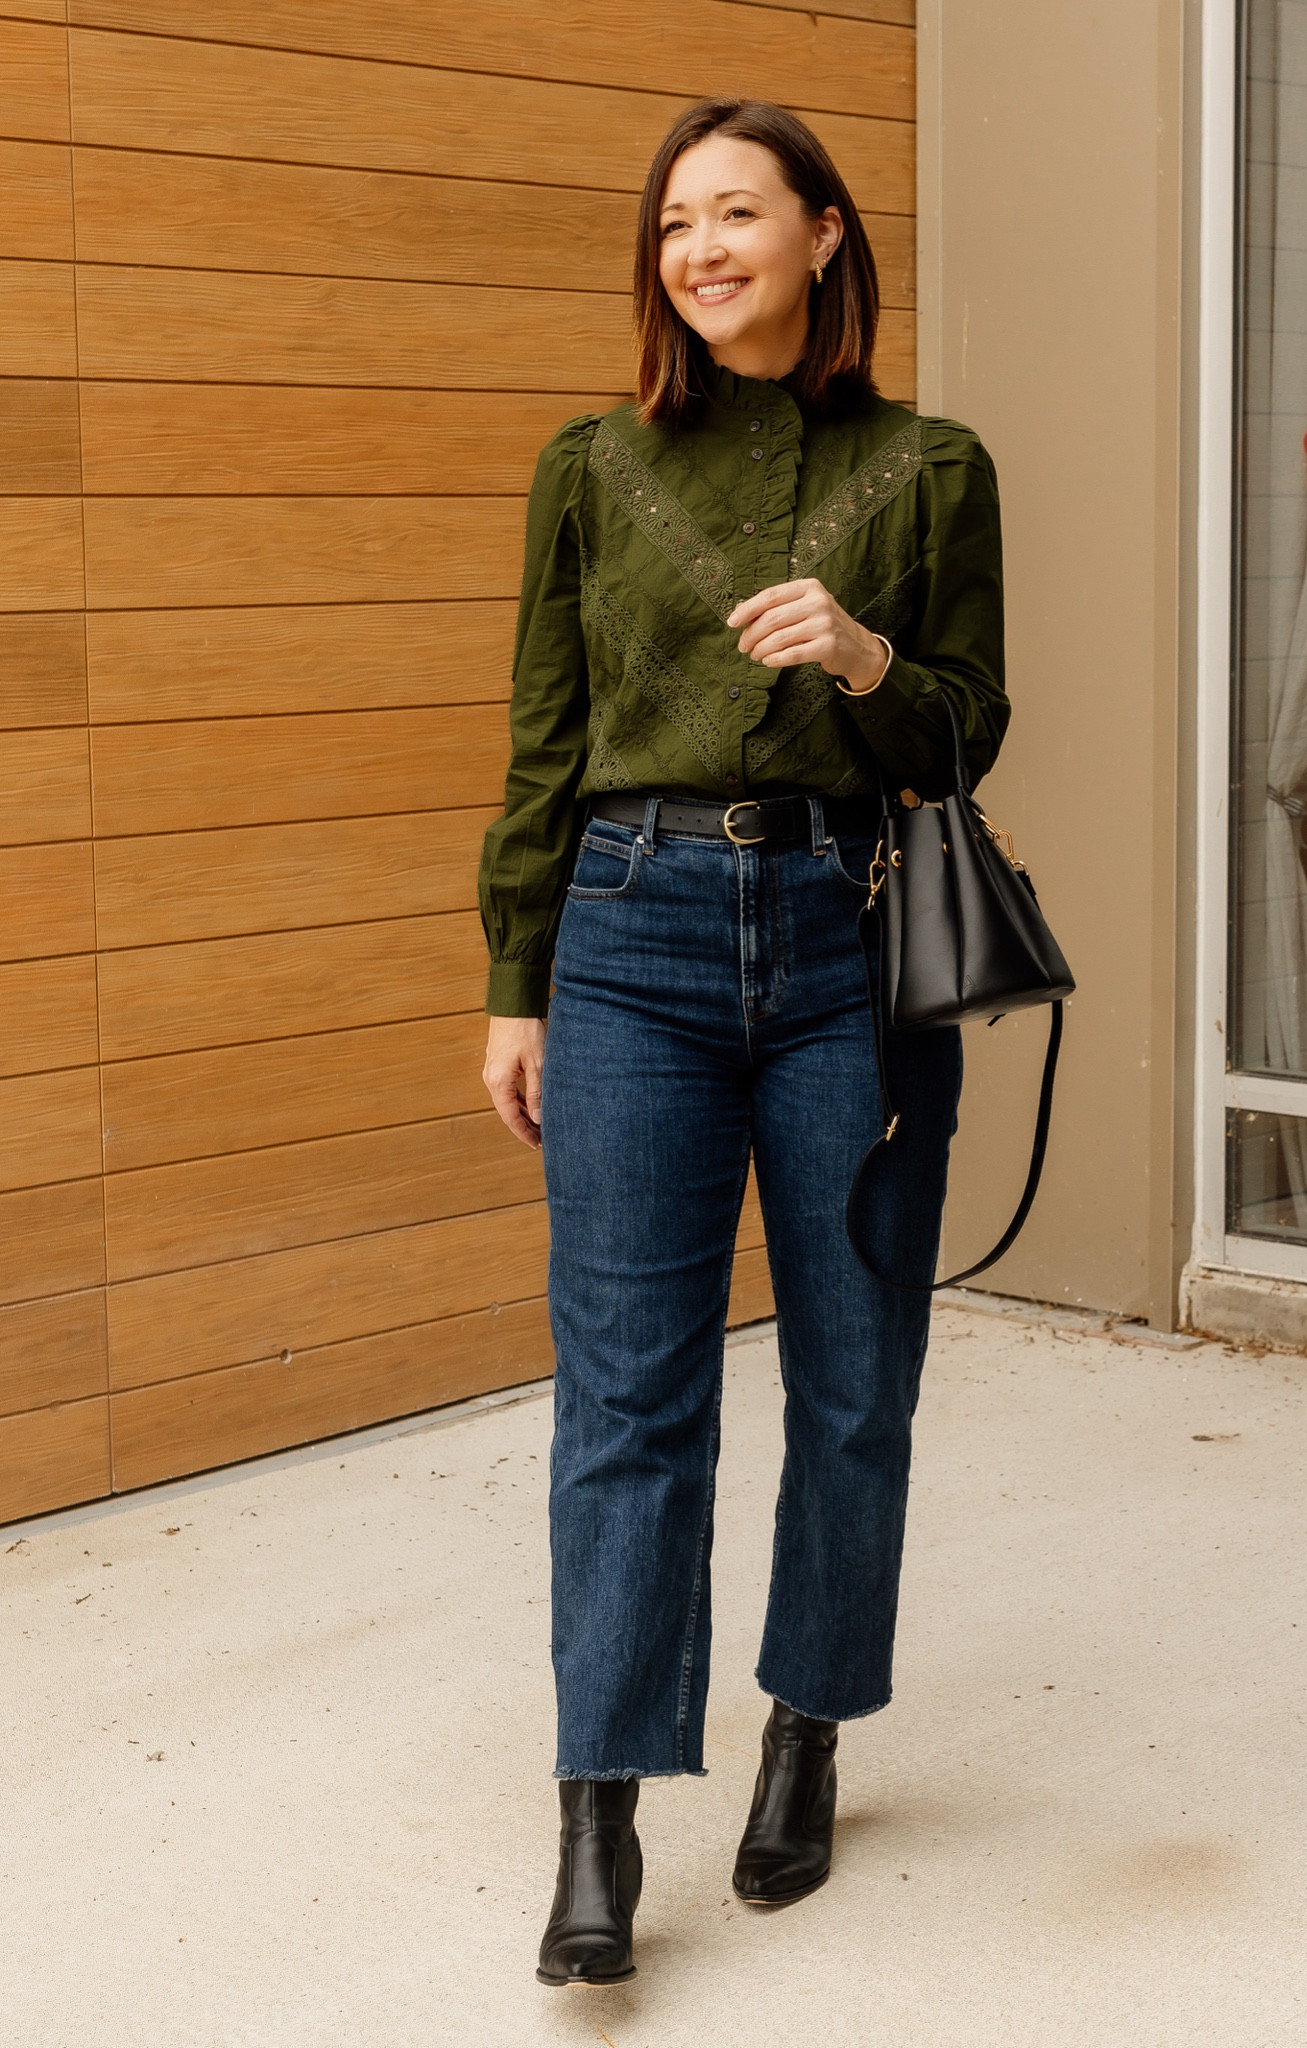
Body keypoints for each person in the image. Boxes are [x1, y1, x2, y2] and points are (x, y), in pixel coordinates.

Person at [478, 95, 1008, 1987]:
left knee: (856, 1377)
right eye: (674, 224)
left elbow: (968, 732)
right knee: (628, 1395)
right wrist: (515, 980)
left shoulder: (933, 467)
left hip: (848, 941)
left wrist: (866, 660)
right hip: (630, 938)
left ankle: (809, 1725)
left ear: (824, 234)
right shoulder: (591, 467)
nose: (700, 250)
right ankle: (601, 1812)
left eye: (736, 213)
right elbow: (545, 741)